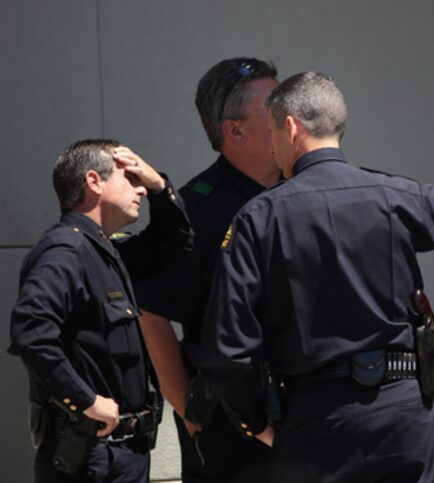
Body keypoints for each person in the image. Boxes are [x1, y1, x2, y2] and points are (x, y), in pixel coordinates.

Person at [197, 71, 434, 483]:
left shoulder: (258, 218)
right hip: (402, 413)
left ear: (290, 127)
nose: (271, 146)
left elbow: (228, 350)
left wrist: (258, 422)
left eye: (271, 131)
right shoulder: (398, 195)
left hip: (314, 418)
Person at [8, 139, 193, 482]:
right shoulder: (66, 251)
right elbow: (31, 333)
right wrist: (85, 401)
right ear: (94, 181)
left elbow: (174, 243)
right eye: (131, 179)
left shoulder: (104, 250)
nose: (140, 189)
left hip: (122, 456)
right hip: (92, 460)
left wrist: (159, 186)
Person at [134, 57, 278, 482]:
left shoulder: (306, 190)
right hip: (229, 425)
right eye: (274, 106)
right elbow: (151, 308)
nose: (292, 114)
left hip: (304, 417)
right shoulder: (197, 210)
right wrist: (188, 410)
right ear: (234, 130)